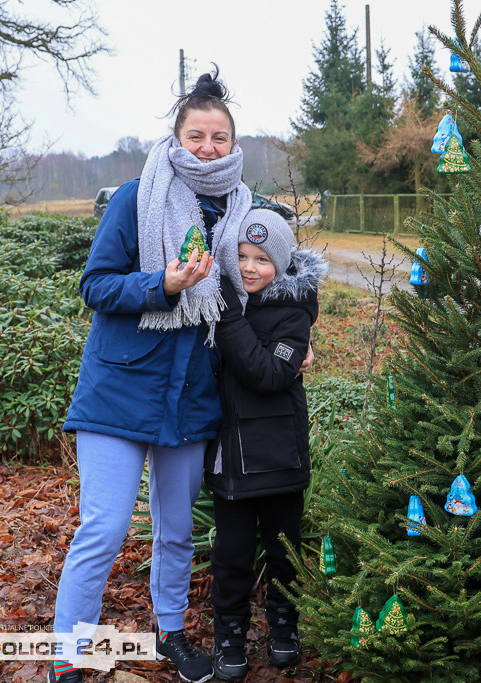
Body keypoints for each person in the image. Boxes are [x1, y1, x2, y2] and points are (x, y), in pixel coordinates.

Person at [50, 68, 251, 683]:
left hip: (191, 396)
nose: (207, 148)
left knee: (176, 531)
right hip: (118, 390)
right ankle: (69, 655)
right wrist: (162, 285)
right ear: (177, 136)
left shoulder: (243, 209)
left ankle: (170, 635)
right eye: (196, 135)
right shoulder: (137, 197)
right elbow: (95, 285)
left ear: (233, 143)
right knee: (104, 527)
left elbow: (263, 285)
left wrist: (294, 342)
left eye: (218, 137)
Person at [204, 209, 325, 680]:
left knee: (282, 549)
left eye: (262, 259)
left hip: (280, 456)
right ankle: (230, 632)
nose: (250, 267)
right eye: (241, 257)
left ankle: (282, 624)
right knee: (231, 555)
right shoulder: (212, 303)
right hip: (230, 456)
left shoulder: (293, 313)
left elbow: (268, 373)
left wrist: (231, 313)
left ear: (281, 262)